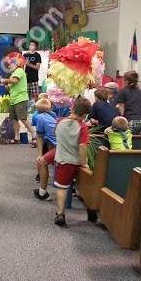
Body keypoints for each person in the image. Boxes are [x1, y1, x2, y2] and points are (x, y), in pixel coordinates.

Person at [53, 97, 91, 227]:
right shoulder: (83, 127)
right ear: (85, 114)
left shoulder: (60, 121)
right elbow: (83, 146)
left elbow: (56, 135)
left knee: (62, 188)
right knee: (86, 188)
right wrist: (83, 162)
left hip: (63, 161)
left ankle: (60, 213)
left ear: (72, 108)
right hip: (77, 162)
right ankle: (91, 211)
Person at [0, 58, 37, 145]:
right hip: (13, 99)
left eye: (10, 64)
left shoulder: (19, 70)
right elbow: (8, 87)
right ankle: (16, 137)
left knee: (23, 117)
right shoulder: (12, 74)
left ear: (16, 64)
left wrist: (5, 80)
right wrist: (3, 83)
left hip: (20, 98)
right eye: (8, 65)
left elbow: (14, 81)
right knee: (14, 119)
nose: (9, 66)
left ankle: (34, 134)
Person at [32, 98, 57, 201]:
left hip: (59, 147)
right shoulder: (53, 115)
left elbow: (39, 136)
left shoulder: (38, 117)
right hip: (58, 144)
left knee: (42, 162)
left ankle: (43, 192)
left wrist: (40, 155)